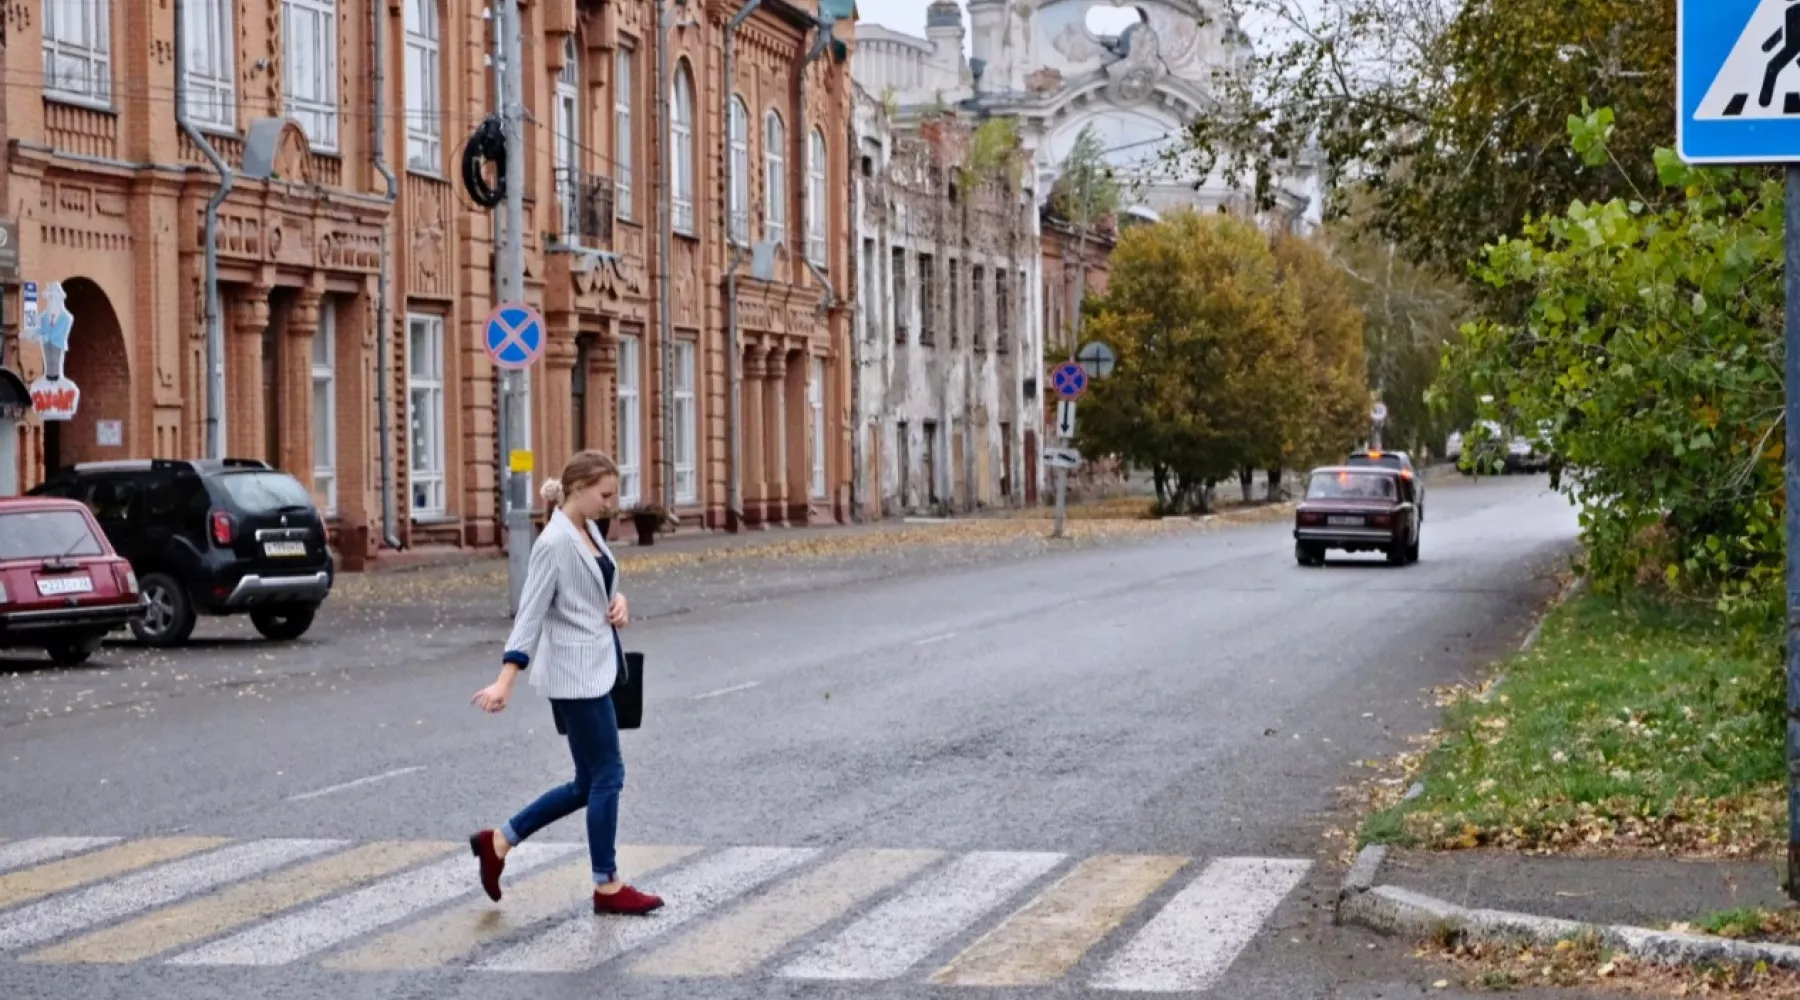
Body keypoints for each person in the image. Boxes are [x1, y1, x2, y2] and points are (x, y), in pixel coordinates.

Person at [468, 450, 663, 915]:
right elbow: (530, 614)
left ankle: (498, 842)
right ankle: (607, 885)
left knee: (585, 783)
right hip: (576, 677)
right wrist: (505, 679)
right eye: (605, 494)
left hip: (598, 666)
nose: (610, 505)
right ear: (579, 488)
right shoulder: (553, 542)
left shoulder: (587, 529)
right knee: (609, 776)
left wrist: (618, 601)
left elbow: (596, 584)